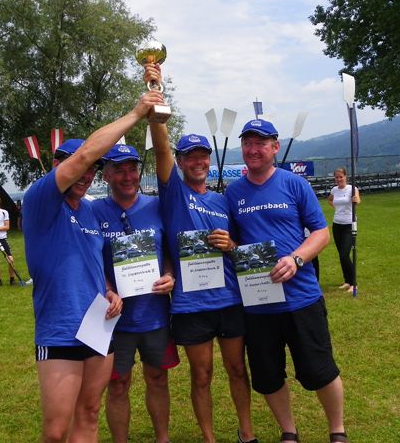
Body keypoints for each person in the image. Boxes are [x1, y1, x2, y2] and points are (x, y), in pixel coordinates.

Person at [22, 89, 162, 443]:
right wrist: (136, 113)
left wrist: (110, 291)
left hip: (99, 326)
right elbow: (86, 153)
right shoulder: (41, 200)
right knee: (56, 431)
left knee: (89, 414)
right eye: (79, 167)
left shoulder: (90, 211)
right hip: (59, 329)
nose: (85, 175)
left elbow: (92, 263)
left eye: (91, 171)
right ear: (59, 166)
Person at [146, 63, 257, 443]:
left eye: (203, 155)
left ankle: (246, 433)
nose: (198, 161)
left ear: (209, 159)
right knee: (202, 375)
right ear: (180, 162)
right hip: (192, 304)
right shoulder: (174, 194)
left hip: (229, 299)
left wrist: (232, 245)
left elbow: (241, 249)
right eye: (189, 156)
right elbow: (161, 146)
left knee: (238, 370)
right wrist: (156, 96)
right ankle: (209, 438)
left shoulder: (224, 200)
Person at [225, 119, 349, 443]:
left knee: (320, 369)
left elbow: (321, 233)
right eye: (248, 143)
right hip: (259, 304)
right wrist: (229, 245)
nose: (253, 149)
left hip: (301, 298)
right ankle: (288, 431)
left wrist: (296, 259)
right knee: (268, 376)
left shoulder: (295, 184)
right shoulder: (233, 193)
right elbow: (234, 243)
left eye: (260, 143)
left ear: (275, 147)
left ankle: (337, 430)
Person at [91, 143, 178, 443]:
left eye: (132, 169)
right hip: (114, 319)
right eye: (119, 170)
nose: (128, 176)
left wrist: (169, 275)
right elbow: (89, 258)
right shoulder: (94, 211)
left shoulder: (157, 206)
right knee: (118, 385)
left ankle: (162, 439)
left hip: (154, 315)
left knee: (158, 378)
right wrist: (107, 288)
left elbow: (169, 250)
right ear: (106, 176)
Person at [328, 167, 361, 293]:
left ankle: (354, 283)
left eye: (341, 177)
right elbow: (330, 200)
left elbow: (358, 200)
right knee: (341, 256)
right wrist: (337, 209)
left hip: (349, 224)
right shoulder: (334, 190)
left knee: (344, 254)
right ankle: (347, 281)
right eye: (336, 177)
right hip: (337, 224)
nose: (338, 179)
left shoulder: (352, 188)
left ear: (345, 177)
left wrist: (355, 200)